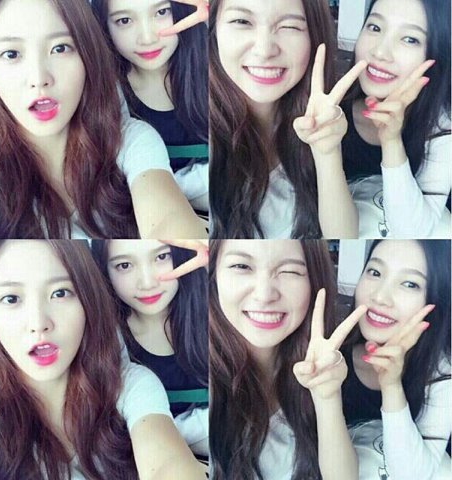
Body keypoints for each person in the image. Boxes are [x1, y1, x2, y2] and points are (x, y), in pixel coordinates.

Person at [0, 240, 206, 479]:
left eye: (60, 293)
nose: (39, 323)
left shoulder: (130, 386)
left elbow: (167, 462)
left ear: (87, 301)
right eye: (11, 299)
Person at [0, 0, 205, 239]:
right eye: (11, 54)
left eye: (60, 48)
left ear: (87, 56)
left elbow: (169, 219)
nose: (39, 78)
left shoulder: (130, 141)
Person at [209, 239, 366, 480]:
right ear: (214, 276)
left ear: (313, 281)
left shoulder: (326, 363)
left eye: (289, 271)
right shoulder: (204, 375)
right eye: (242, 266)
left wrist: (326, 397)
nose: (264, 295)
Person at [209, 0, 366, 239]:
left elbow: (343, 236)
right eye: (242, 21)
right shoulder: (205, 129)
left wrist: (327, 153)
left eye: (289, 26)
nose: (265, 50)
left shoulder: (323, 117)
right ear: (214, 31)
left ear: (313, 37)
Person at [341, 240, 451, 479]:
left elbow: (411, 474)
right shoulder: (330, 355)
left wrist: (391, 386)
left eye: (410, 284)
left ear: (436, 297)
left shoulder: (443, 373)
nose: (380, 297)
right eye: (375, 272)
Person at [341, 0, 451, 238]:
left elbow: (409, 230)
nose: (380, 52)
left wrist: (391, 141)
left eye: (410, 39)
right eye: (375, 27)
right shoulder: (330, 112)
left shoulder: (443, 129)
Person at [92, 239, 209, 458]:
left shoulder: (217, 314)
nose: (147, 283)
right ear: (103, 269)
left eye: (162, 257)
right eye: (124, 265)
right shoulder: (103, 341)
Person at [92, 0, 209, 212]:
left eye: (161, 12)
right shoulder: (104, 97)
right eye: (124, 20)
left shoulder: (218, 69)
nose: (147, 38)